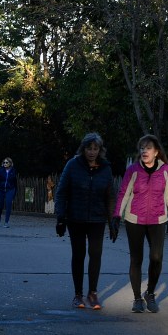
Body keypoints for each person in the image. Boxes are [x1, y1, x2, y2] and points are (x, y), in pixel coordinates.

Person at [112, 134, 168, 314]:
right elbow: (124, 193)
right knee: (136, 259)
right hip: (134, 219)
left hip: (158, 219)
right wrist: (116, 216)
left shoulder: (166, 170)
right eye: (142, 148)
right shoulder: (133, 170)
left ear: (156, 152)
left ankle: (150, 293)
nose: (144, 151)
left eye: (148, 148)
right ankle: (137, 298)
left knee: (156, 257)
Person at [55, 132, 115, 310]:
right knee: (79, 254)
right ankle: (78, 294)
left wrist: (112, 221)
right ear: (84, 149)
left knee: (95, 254)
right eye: (89, 148)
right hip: (76, 217)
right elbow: (62, 192)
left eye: (95, 149)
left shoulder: (105, 168)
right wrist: (60, 218)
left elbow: (110, 196)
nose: (92, 152)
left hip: (97, 218)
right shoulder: (73, 165)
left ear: (100, 150)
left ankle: (93, 293)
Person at [0, 157, 18, 227]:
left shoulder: (13, 171)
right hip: (1, 189)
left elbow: (15, 182)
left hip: (10, 190)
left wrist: (14, 192)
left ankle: (6, 222)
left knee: (9, 204)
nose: (5, 164)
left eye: (7, 162)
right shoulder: (0, 170)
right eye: (4, 162)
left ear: (10, 163)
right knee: (0, 205)